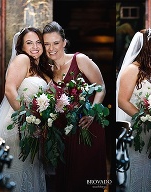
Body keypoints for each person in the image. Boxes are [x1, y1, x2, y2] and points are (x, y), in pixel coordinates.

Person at [42, 21, 107, 191]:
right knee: (67, 179)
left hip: (88, 126)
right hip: (64, 132)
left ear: (64, 42)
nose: (51, 48)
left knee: (85, 177)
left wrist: (92, 112)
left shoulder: (80, 59)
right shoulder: (47, 70)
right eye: (47, 44)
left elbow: (101, 87)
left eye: (55, 43)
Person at [0, 27, 52, 191]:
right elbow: (9, 90)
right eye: (29, 43)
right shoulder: (23, 59)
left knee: (30, 170)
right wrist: (26, 118)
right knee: (18, 170)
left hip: (34, 128)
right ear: (21, 47)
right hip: (18, 126)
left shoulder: (42, 68)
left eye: (38, 42)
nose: (35, 46)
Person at [116, 29, 151, 191]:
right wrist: (148, 118)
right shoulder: (132, 70)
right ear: (150, 46)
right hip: (140, 130)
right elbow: (122, 101)